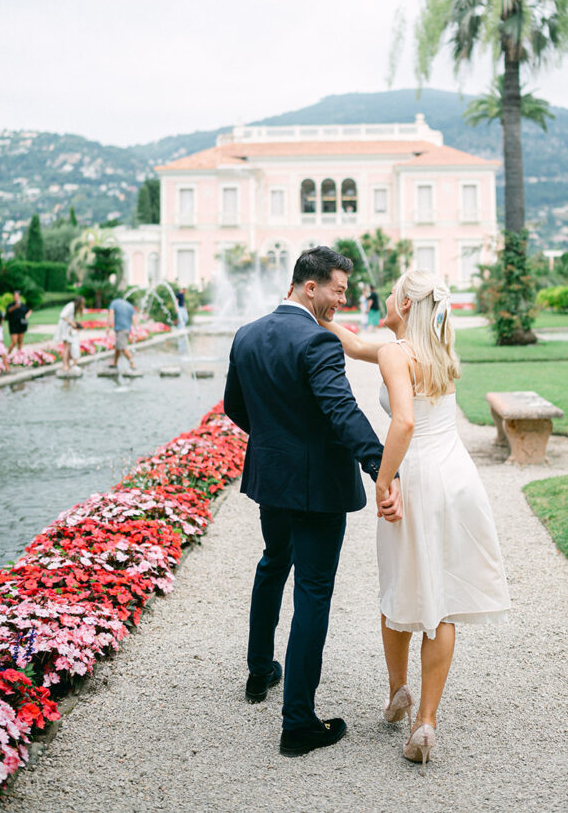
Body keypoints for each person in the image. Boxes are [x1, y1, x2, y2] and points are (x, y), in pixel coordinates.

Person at [321, 269, 510, 774]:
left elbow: (402, 422)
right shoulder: (440, 349)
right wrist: (322, 317)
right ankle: (424, 720)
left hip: (419, 476)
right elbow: (359, 346)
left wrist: (384, 482)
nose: (382, 295)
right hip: (458, 477)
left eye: (391, 290)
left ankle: (397, 689)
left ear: (402, 303)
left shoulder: (395, 354)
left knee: (399, 585)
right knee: (441, 599)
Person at [224, 246, 402, 759]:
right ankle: (299, 721)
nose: (342, 299)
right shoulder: (319, 341)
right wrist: (380, 468)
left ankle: (260, 674)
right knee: (314, 592)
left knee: (272, 563)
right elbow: (342, 410)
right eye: (337, 290)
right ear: (309, 287)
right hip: (317, 490)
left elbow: (236, 406)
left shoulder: (247, 334)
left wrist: (277, 446)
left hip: (270, 480)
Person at [107, 295, 138, 370]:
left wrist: (108, 326)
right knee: (118, 347)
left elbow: (111, 314)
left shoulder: (114, 303)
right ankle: (115, 363)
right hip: (127, 329)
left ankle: (132, 363)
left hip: (121, 329)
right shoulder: (130, 306)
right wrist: (136, 329)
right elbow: (134, 318)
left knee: (123, 348)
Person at [56, 296, 85, 372]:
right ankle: (65, 366)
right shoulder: (71, 306)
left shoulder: (73, 307)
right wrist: (72, 323)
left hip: (67, 330)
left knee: (68, 348)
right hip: (64, 330)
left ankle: (67, 365)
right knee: (66, 348)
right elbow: (62, 315)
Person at [6, 290, 32, 356]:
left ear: (19, 297)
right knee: (14, 341)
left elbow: (29, 310)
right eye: (15, 296)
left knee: (20, 341)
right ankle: (8, 355)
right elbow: (8, 311)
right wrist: (15, 307)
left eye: (17, 296)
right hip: (13, 325)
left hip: (21, 325)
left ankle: (18, 355)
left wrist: (27, 315)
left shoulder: (23, 305)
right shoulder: (11, 305)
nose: (16, 297)